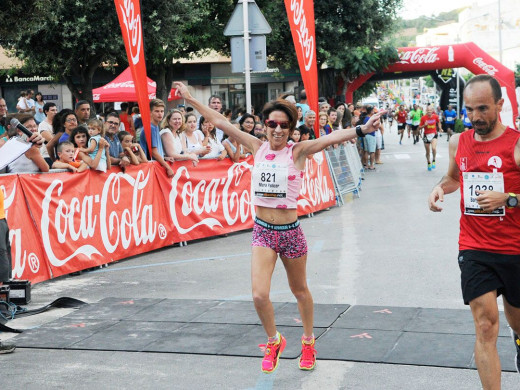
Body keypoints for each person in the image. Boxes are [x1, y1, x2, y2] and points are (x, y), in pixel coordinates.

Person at [174, 81, 384, 374]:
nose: (277, 130)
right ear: (265, 125)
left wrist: (363, 129)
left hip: (290, 233)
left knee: (300, 291)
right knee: (259, 295)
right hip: (262, 231)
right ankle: (274, 340)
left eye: (283, 125)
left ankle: (309, 341)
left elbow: (331, 138)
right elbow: (219, 121)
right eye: (272, 123)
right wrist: (189, 99)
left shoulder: (298, 151)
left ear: (290, 128)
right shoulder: (255, 146)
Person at [428, 74, 520, 389]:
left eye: (482, 108)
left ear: (500, 104)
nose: (475, 117)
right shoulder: (459, 142)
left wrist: (508, 198)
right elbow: (453, 177)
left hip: (515, 248)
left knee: (518, 323)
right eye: (470, 110)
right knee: (484, 326)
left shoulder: (516, 144)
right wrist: (439, 189)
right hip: (474, 247)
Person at [139, 99, 174, 177]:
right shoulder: (150, 128)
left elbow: (156, 151)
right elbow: (153, 152)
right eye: (157, 111)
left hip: (153, 166)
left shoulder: (155, 126)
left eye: (162, 111)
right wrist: (167, 167)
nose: (160, 114)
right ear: (150, 112)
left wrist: (164, 158)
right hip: (149, 168)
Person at [419, 105, 441, 171]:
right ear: (426, 111)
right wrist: (424, 125)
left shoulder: (435, 116)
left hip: (434, 134)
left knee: (434, 148)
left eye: (430, 111)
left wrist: (440, 128)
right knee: (427, 152)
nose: (429, 112)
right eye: (428, 111)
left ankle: (433, 160)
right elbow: (419, 128)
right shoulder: (423, 118)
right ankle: (428, 162)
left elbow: (439, 122)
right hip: (426, 135)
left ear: (432, 111)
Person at [38, 102, 57, 167]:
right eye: (52, 110)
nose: (55, 112)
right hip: (47, 156)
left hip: (59, 155)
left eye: (56, 110)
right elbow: (52, 140)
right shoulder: (43, 125)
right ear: (46, 112)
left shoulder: (59, 124)